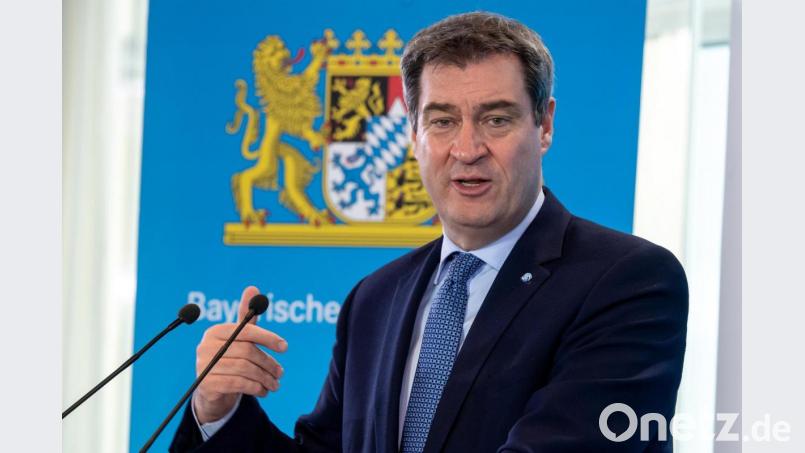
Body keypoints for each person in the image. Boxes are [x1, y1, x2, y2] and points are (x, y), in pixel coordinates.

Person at [171, 11, 688, 452]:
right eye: (442, 121)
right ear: (413, 133)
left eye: (496, 120)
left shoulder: (630, 281)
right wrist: (218, 408)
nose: (466, 149)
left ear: (545, 124)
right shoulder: (373, 298)